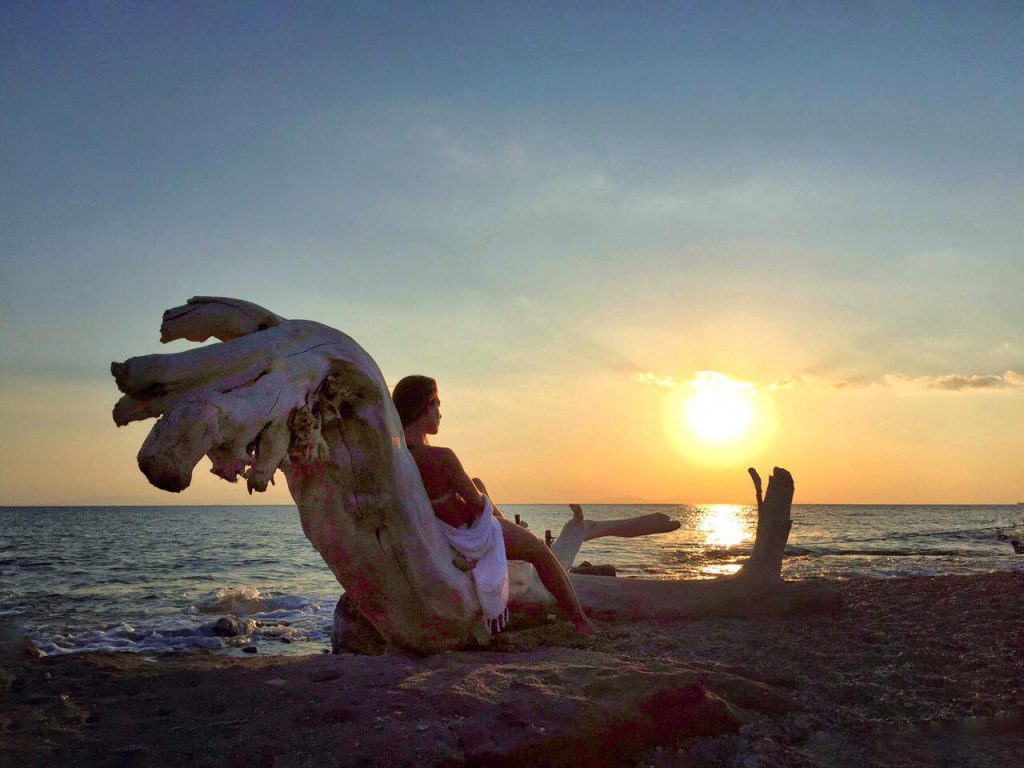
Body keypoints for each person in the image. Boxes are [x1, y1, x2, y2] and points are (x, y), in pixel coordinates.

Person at [391, 375, 595, 635]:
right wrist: (488, 504)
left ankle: (511, 531)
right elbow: (477, 506)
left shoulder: (400, 459)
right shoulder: (442, 458)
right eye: (437, 404)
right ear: (424, 406)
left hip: (441, 533)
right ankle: (581, 622)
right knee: (540, 551)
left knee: (477, 482)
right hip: (469, 534)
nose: (441, 413)